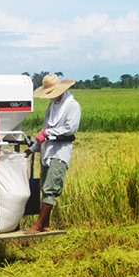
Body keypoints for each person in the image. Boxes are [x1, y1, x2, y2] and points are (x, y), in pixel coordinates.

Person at [23, 73, 81, 234]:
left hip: (60, 152)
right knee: (43, 186)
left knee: (50, 188)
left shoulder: (72, 106)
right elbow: (44, 129)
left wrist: (48, 133)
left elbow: (69, 129)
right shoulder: (52, 106)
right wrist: (32, 149)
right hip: (46, 150)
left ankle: (38, 225)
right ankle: (46, 225)